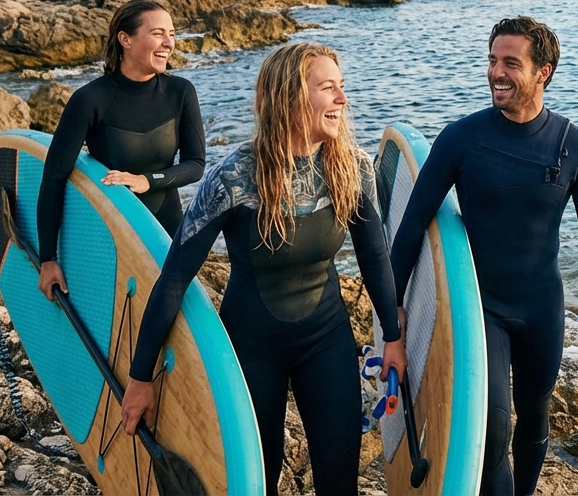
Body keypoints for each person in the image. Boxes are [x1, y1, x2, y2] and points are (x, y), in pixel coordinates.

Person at [119, 42, 407, 496]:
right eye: (328, 88)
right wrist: (140, 378)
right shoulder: (234, 177)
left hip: (326, 337)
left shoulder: (351, 167)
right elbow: (174, 279)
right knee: (257, 479)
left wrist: (393, 337)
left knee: (339, 477)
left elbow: (374, 258)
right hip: (251, 346)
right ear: (290, 97)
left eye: (341, 86)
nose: (342, 99)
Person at [390, 16, 578, 496]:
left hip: (541, 306)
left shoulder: (576, 147)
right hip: (483, 307)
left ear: (543, 72)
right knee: (494, 430)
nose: (496, 72)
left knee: (535, 419)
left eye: (511, 63)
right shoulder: (463, 138)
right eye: (492, 60)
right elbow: (412, 223)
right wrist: (393, 308)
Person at [36, 0, 205, 299]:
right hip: (112, 237)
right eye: (158, 34)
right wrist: (48, 259)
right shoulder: (90, 100)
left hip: (166, 233)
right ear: (125, 39)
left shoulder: (180, 92)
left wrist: (146, 180)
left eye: (172, 34)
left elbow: (195, 165)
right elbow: (54, 178)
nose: (169, 43)